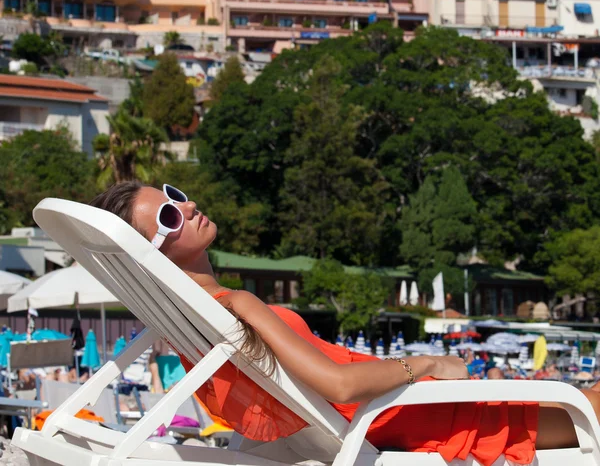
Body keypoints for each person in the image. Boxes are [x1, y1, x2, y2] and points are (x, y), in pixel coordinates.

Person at [90, 182, 600, 466]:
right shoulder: (235, 303)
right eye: (169, 218)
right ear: (150, 254)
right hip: (407, 415)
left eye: (173, 195)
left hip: (391, 413)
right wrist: (427, 363)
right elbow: (341, 384)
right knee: (589, 406)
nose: (189, 205)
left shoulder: (194, 322)